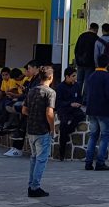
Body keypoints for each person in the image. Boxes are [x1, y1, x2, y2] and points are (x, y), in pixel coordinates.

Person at [23, 65, 57, 197]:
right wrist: (52, 128)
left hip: (30, 128)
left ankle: (31, 184)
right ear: (51, 77)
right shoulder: (50, 92)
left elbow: (24, 110)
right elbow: (50, 113)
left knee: (34, 158)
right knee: (41, 159)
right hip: (42, 130)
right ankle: (35, 186)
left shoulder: (31, 91)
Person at [83, 60, 109, 171]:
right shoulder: (108, 77)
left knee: (93, 136)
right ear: (107, 64)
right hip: (104, 110)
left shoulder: (91, 76)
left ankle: (88, 162)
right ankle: (100, 162)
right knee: (104, 137)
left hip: (92, 109)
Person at [55, 67, 84, 161]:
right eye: (73, 76)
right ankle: (61, 153)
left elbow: (80, 97)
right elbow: (58, 102)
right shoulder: (60, 87)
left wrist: (78, 103)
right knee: (63, 124)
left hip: (74, 109)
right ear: (67, 76)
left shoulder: (77, 85)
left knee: (81, 115)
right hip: (64, 109)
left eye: (76, 76)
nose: (75, 78)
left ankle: (68, 131)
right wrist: (70, 104)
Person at [73, 23, 99, 90]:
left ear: (90, 28)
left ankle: (77, 97)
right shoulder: (96, 38)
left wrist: (77, 60)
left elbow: (76, 49)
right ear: (96, 29)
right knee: (87, 82)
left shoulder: (82, 36)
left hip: (80, 63)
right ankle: (85, 99)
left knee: (79, 81)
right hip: (90, 64)